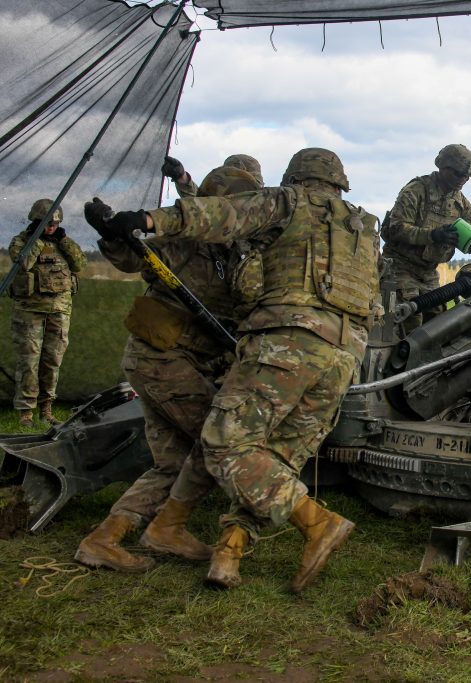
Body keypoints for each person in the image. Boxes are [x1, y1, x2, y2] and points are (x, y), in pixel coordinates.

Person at [101, 147, 379, 592]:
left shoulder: (288, 202)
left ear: (296, 178)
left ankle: (316, 523)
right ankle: (226, 556)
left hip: (287, 342)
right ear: (338, 182)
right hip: (344, 354)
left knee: (224, 440)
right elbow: (375, 304)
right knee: (276, 456)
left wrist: (151, 220)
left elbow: (225, 215)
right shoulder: (362, 230)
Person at [75, 163, 263, 573]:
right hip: (162, 361)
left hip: (167, 361)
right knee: (219, 442)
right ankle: (166, 530)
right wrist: (113, 236)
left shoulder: (232, 253)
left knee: (173, 461)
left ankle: (105, 538)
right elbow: (134, 259)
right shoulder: (186, 242)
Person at [381, 143, 471, 330]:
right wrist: (432, 235)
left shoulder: (461, 203)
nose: (463, 180)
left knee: (439, 327)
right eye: (458, 174)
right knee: (408, 322)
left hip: (429, 274)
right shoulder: (416, 191)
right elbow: (396, 229)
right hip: (399, 268)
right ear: (443, 167)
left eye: (467, 177)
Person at [8, 199, 86, 427]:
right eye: (46, 223)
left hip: (59, 311)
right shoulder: (22, 241)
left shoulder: (64, 242)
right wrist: (38, 240)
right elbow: (24, 262)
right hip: (29, 312)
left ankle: (46, 409)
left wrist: (62, 241)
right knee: (29, 361)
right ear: (36, 221)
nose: (51, 227)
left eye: (55, 223)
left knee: (52, 361)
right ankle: (26, 413)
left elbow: (79, 264)